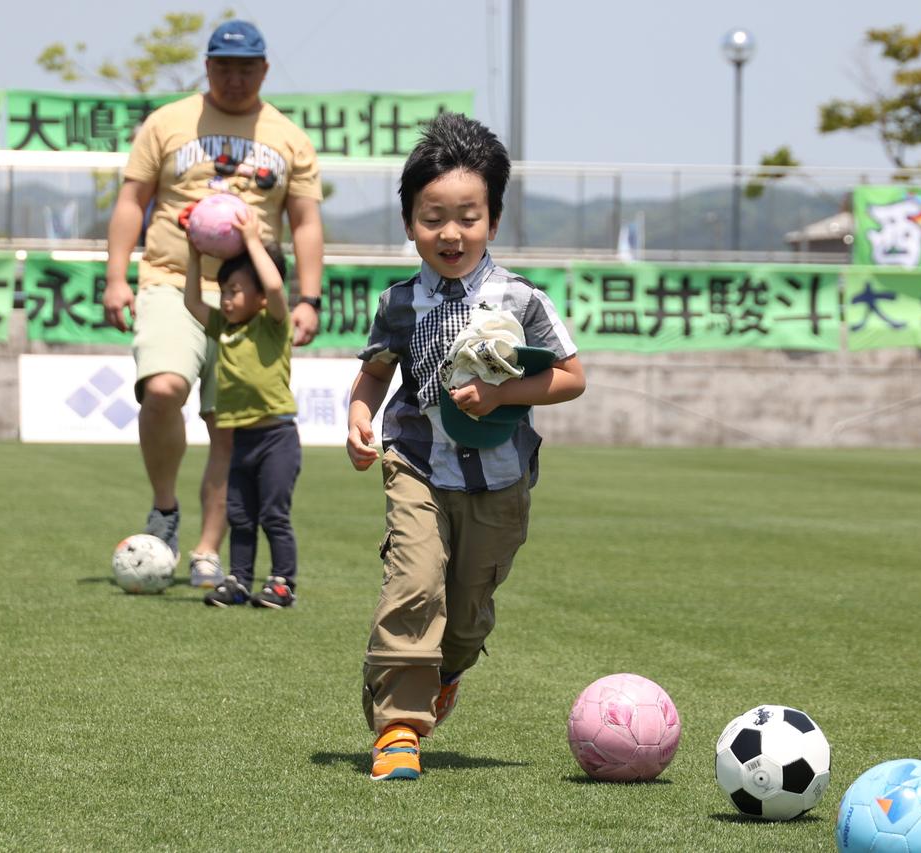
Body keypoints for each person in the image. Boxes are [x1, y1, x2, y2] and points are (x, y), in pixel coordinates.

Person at [345, 113, 586, 781]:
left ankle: (447, 670)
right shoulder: (399, 302)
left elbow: (571, 376)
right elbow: (374, 372)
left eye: (468, 216)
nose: (450, 233)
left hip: (501, 477)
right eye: (432, 217)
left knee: (468, 612)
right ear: (409, 221)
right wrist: (360, 419)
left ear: (493, 219)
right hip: (417, 463)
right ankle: (399, 725)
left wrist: (505, 395)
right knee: (413, 584)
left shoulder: (523, 298)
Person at [102, 19, 325, 588]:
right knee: (163, 388)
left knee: (228, 428)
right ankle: (165, 508)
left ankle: (207, 550)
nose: (233, 77)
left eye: (246, 67)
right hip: (170, 279)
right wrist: (116, 278)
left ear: (265, 69)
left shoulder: (289, 136)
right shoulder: (168, 122)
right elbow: (133, 200)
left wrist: (308, 297)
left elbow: (305, 221)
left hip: (248, 301)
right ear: (207, 67)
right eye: (223, 66)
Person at [184, 207, 301, 609]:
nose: (227, 299)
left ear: (256, 296)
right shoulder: (223, 327)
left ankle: (283, 582)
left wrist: (252, 240)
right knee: (240, 515)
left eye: (235, 290)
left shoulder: (273, 323)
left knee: (273, 514)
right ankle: (239, 581)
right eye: (225, 291)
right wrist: (195, 254)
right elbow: (191, 301)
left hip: (277, 439)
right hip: (241, 440)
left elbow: (274, 287)